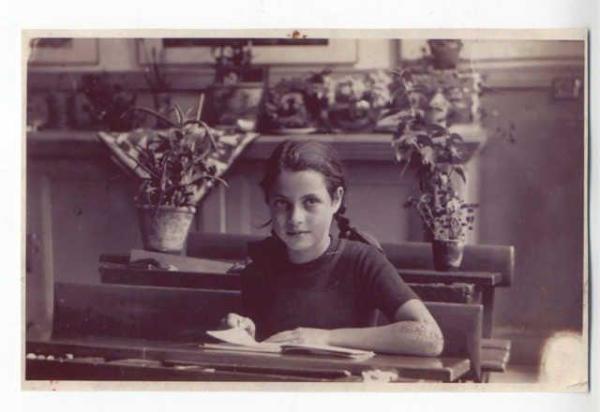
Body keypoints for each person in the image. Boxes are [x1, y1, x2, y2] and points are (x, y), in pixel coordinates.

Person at [222, 140, 444, 356]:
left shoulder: (362, 261)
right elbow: (267, 342)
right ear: (268, 202)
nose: (295, 218)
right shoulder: (262, 262)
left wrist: (326, 338)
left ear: (335, 200)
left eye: (310, 202)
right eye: (282, 202)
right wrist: (245, 328)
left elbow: (430, 337)